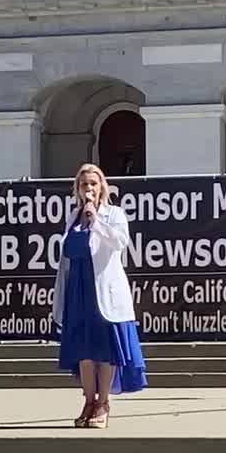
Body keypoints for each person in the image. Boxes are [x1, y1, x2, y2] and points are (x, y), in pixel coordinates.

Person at [53, 163, 147, 429]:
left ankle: (103, 402)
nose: (89, 189)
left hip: (104, 289)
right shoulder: (73, 217)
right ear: (78, 189)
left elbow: (119, 242)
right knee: (83, 349)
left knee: (104, 348)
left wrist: (96, 221)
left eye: (93, 184)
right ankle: (88, 400)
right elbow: (66, 251)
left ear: (102, 187)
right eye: (84, 185)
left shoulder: (113, 214)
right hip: (78, 288)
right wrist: (84, 220)